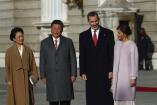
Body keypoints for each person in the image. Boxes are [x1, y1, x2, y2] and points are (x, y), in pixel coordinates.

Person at [79, 11, 115, 105]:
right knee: (92, 97)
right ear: (88, 21)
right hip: (90, 73)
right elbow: (82, 55)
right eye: (92, 21)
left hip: (105, 72)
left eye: (96, 21)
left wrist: (111, 70)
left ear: (98, 20)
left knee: (106, 97)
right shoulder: (83, 36)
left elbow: (112, 53)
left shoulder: (108, 33)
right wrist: (82, 71)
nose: (94, 23)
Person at [40, 20, 77, 105]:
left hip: (65, 77)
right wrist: (43, 75)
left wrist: (73, 74)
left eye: (58, 28)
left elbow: (73, 59)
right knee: (53, 101)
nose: (56, 31)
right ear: (51, 29)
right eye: (54, 28)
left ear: (62, 30)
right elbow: (42, 61)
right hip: (51, 77)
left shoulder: (68, 42)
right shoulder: (44, 43)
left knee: (65, 101)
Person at [5, 27, 39, 105]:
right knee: (15, 100)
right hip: (14, 80)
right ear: (14, 39)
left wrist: (34, 77)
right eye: (19, 37)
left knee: (27, 100)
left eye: (22, 36)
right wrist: (8, 79)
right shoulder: (9, 51)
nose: (21, 38)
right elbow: (7, 67)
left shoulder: (28, 50)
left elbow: (33, 65)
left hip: (26, 80)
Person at [111, 25, 138, 105]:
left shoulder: (132, 45)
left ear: (125, 34)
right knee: (117, 97)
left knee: (127, 98)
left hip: (127, 77)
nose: (117, 35)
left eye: (119, 33)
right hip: (117, 77)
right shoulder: (117, 44)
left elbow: (134, 62)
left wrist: (133, 77)